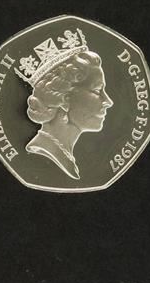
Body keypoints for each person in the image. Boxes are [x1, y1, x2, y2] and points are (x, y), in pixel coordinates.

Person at [20, 34, 113, 180]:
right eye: (97, 90)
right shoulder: (43, 151)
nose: (108, 101)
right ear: (64, 100)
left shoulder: (64, 153)